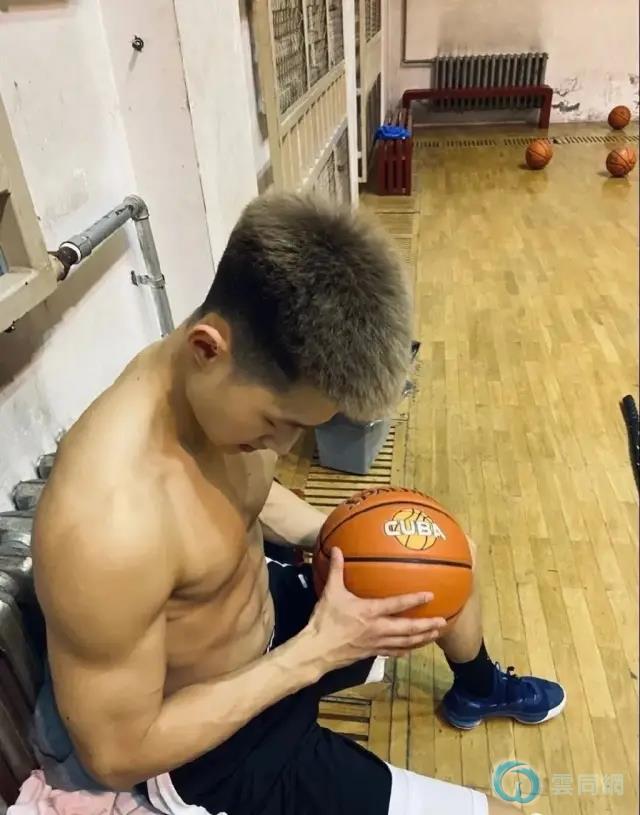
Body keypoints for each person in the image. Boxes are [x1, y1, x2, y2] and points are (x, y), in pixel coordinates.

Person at [33, 194, 565, 815]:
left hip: (277, 627)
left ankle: (478, 687)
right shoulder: (105, 525)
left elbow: (244, 500)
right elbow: (119, 753)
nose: (284, 447)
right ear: (208, 348)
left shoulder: (211, 399)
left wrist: (336, 535)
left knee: (446, 554)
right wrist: (317, 651)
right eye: (276, 422)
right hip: (217, 749)